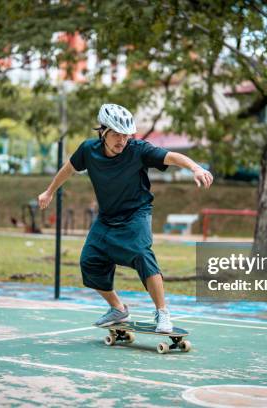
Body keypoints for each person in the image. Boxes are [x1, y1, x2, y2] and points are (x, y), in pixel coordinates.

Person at [37, 103, 213, 332]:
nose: (122, 140)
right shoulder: (88, 150)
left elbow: (171, 157)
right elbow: (68, 169)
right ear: (103, 132)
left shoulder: (138, 150)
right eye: (117, 135)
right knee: (89, 261)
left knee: (141, 254)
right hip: (107, 217)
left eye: (126, 135)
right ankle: (118, 308)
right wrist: (49, 191)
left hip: (136, 214)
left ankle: (163, 313)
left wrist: (195, 167)